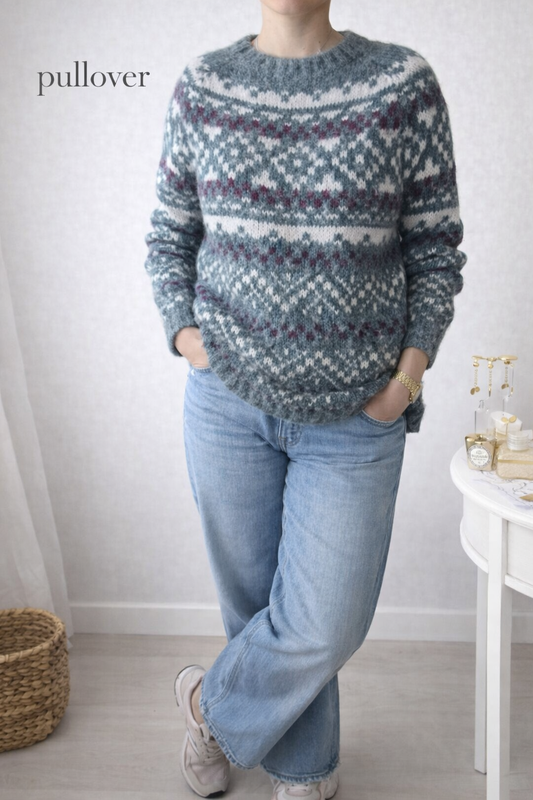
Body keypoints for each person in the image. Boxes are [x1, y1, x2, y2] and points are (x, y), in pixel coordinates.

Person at [144, 1, 467, 798]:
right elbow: (169, 236)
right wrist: (189, 338)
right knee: (255, 604)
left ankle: (207, 708)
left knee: (323, 620)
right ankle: (302, 770)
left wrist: (405, 380)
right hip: (227, 404)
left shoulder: (400, 84)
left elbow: (434, 250)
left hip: (356, 415)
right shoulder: (205, 86)